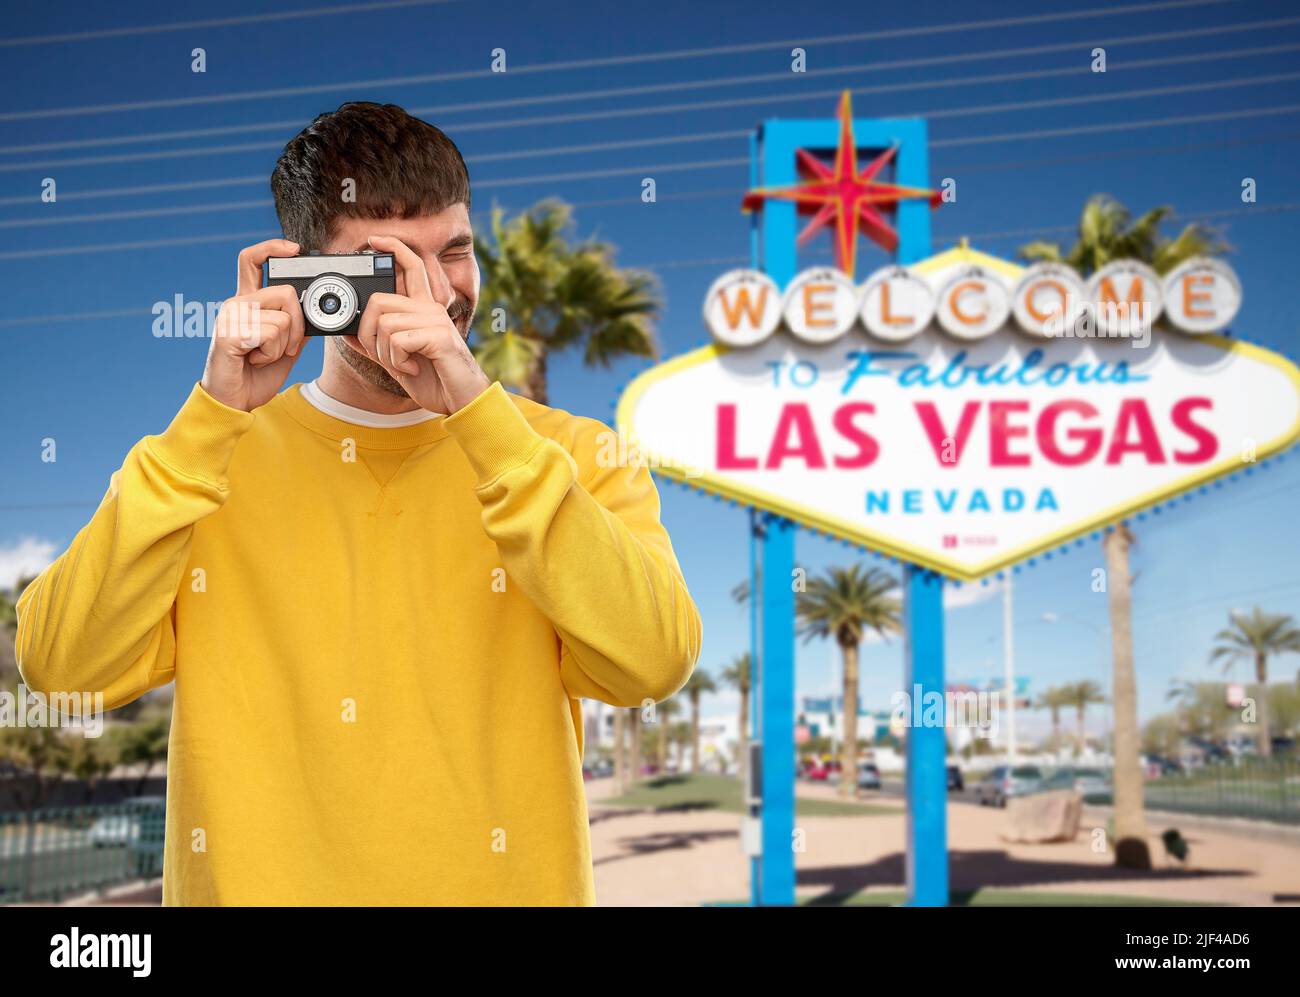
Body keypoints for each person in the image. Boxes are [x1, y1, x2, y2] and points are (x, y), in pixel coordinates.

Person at [14, 101, 701, 906]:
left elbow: (655, 659)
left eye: (453, 253)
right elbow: (60, 666)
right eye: (389, 266)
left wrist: (482, 416)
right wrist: (211, 417)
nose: (435, 295)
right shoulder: (203, 461)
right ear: (303, 281)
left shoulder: (572, 455)